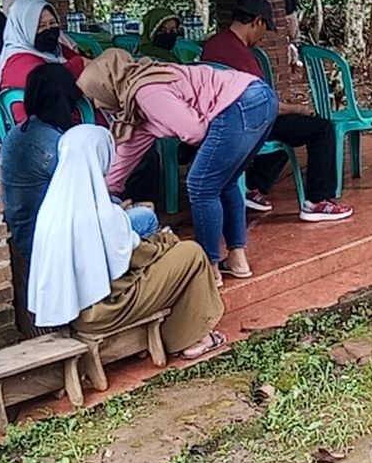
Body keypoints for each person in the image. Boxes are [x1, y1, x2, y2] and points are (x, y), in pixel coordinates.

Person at [77, 49, 277, 283]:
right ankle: (237, 260)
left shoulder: (146, 92)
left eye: (94, 95)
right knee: (225, 182)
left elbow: (194, 130)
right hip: (260, 98)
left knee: (201, 186)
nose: (97, 103)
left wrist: (167, 127)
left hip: (241, 103)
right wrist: (98, 197)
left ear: (107, 85)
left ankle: (208, 269)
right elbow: (122, 163)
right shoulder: (137, 103)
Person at [27, 125, 225, 359]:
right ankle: (194, 338)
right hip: (105, 311)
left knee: (174, 257)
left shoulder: (51, 208)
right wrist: (167, 240)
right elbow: (139, 256)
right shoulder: (100, 212)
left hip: (73, 310)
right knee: (191, 253)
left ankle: (182, 332)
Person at [200, 0, 353, 222]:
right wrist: (298, 109)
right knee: (321, 129)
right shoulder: (243, 58)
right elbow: (264, 104)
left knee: (287, 133)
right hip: (247, 122)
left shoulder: (212, 45)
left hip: (218, 121)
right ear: (257, 22)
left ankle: (254, 185)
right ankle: (317, 201)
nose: (262, 37)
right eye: (264, 28)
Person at [0, 64, 158, 264]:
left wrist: (116, 205)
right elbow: (86, 208)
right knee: (146, 217)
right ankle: (124, 287)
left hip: (25, 234)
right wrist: (121, 209)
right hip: (54, 245)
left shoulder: (18, 133)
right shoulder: (59, 146)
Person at [0, 0, 87, 123]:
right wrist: (80, 64)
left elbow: (80, 60)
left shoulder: (55, 50)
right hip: (43, 128)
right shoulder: (18, 62)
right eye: (41, 27)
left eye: (53, 23)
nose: (49, 29)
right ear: (24, 29)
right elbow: (54, 81)